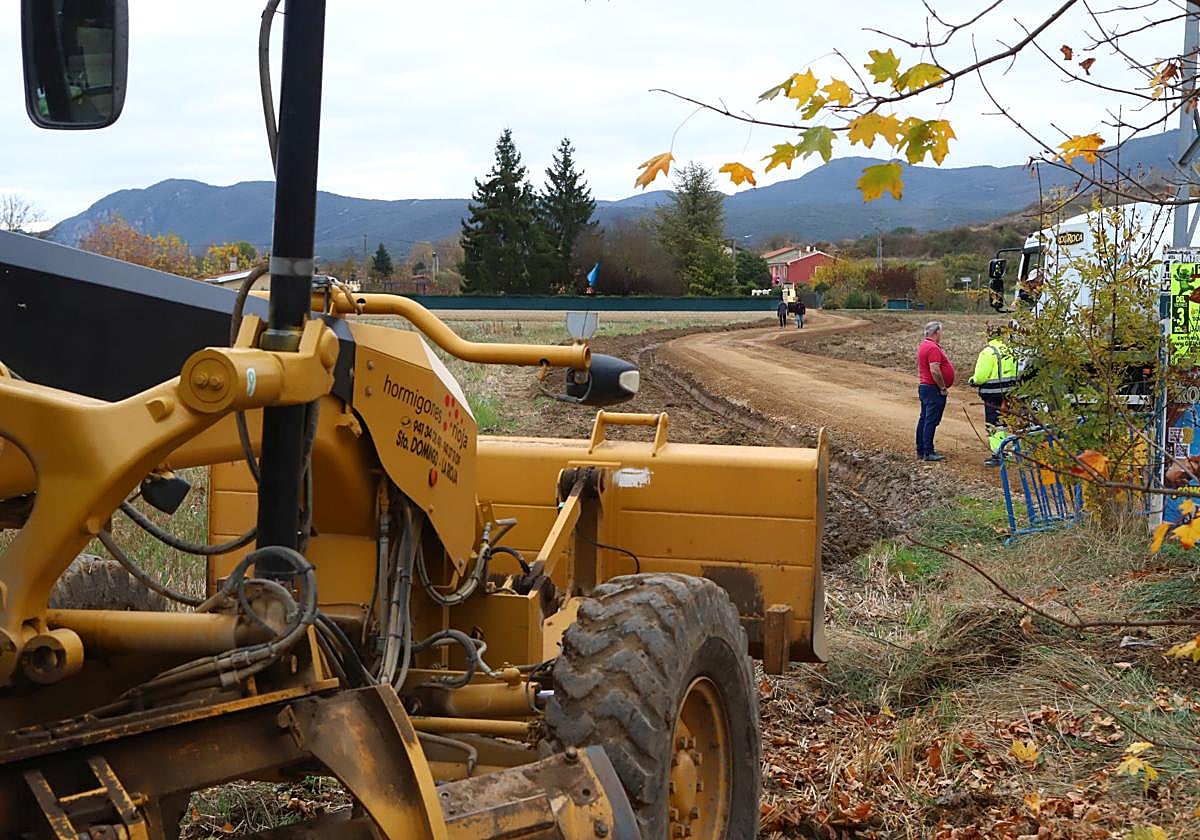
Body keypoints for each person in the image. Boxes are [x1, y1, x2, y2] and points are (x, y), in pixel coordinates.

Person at [968, 323, 1020, 467]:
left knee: (993, 424)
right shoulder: (1009, 350)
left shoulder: (988, 352)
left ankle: (997, 455)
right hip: (1009, 393)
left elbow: (980, 377)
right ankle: (1005, 452)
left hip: (992, 395)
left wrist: (973, 380)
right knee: (1003, 423)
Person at [916, 320, 954, 462]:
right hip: (933, 389)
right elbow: (935, 370)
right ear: (937, 332)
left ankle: (921, 449)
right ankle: (928, 451)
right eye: (940, 332)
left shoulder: (924, 345)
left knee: (924, 419)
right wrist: (942, 387)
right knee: (930, 420)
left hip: (926, 387)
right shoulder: (932, 348)